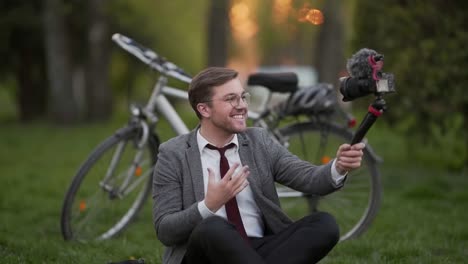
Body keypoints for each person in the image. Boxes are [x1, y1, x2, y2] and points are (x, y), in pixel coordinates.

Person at [152, 67, 365, 264]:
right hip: (206, 254)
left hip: (260, 248)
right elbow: (165, 230)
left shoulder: (258, 141)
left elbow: (308, 178)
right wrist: (209, 205)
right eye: (231, 99)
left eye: (243, 97)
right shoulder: (173, 153)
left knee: (324, 224)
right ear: (204, 109)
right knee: (212, 227)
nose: (242, 106)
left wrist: (339, 167)